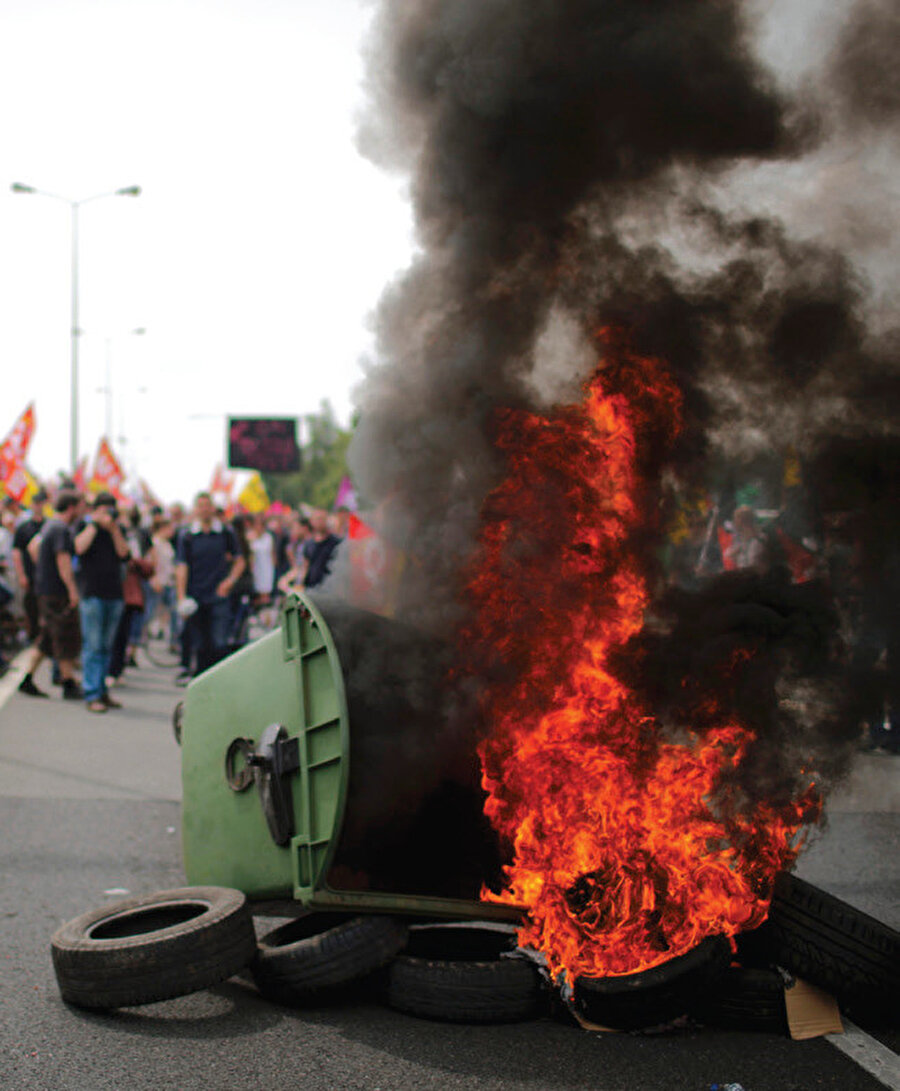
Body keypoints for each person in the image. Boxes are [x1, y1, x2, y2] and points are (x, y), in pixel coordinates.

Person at [18, 489, 82, 700]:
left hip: (45, 589)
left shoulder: (48, 525)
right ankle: (68, 682)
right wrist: (72, 589)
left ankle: (26, 679)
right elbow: (63, 561)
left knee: (46, 639)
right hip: (56, 592)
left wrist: (43, 569)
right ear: (71, 507)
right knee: (64, 634)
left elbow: (33, 547)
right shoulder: (61, 529)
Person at [175, 492, 245, 680]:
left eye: (207, 505)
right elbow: (182, 566)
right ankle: (201, 680)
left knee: (219, 642)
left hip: (218, 596)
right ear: (196, 509)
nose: (204, 509)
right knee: (199, 643)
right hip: (195, 595)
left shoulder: (225, 532)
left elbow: (240, 561)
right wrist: (181, 597)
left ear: (212, 508)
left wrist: (229, 581)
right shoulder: (187, 535)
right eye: (201, 505)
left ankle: (219, 680)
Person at [73, 492, 130, 713]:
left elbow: (124, 554)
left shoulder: (118, 530)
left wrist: (114, 529)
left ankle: (102, 690)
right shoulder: (85, 527)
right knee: (93, 646)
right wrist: (95, 525)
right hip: (92, 594)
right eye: (104, 510)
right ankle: (92, 693)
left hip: (114, 594)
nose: (108, 515)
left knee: (107, 647)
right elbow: (79, 547)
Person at [298, 509, 342, 590]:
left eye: (322, 519)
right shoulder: (309, 544)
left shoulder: (336, 542)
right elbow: (305, 566)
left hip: (328, 589)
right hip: (311, 588)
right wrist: (300, 584)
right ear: (312, 521)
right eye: (317, 519)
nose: (319, 522)